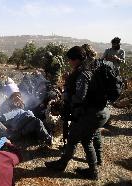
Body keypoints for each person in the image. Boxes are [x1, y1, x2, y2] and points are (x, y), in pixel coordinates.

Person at [45, 46, 110, 180]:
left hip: (91, 114)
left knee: (74, 138)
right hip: (101, 111)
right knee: (87, 140)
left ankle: (62, 164)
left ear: (76, 59)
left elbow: (80, 97)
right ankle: (93, 171)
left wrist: (66, 96)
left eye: (70, 60)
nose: (69, 62)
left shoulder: (83, 73)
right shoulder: (93, 66)